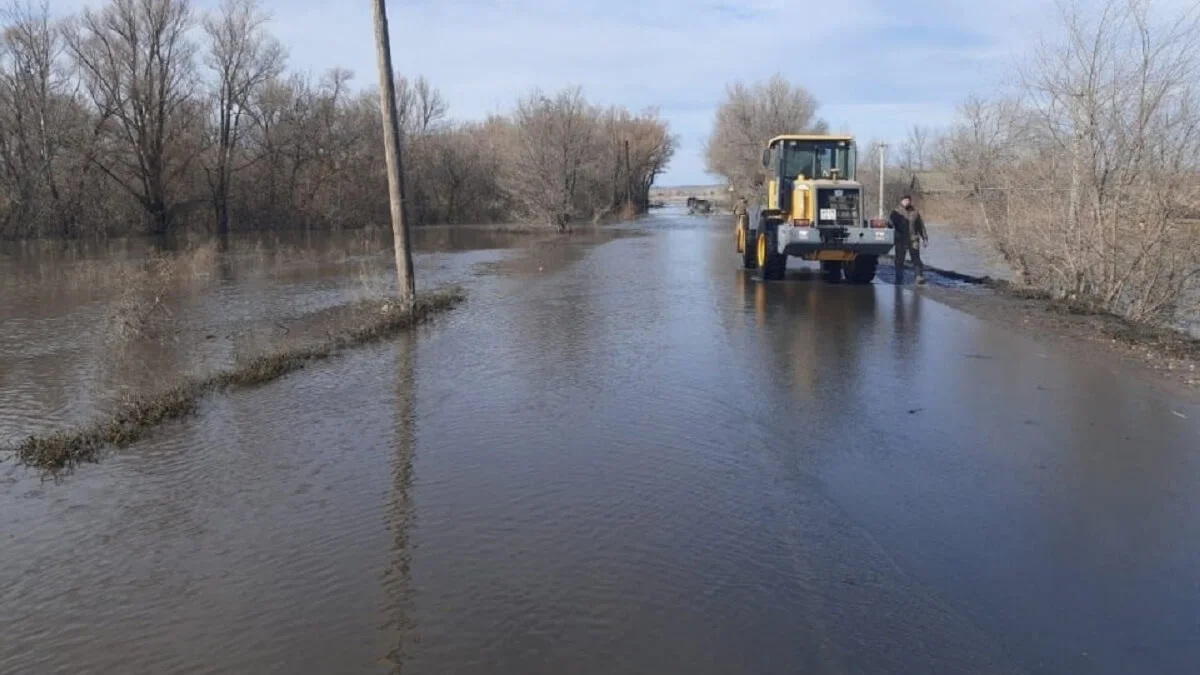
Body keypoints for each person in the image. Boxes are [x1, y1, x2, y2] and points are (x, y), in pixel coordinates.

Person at [889, 195, 929, 284]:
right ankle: (899, 277)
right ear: (901, 201)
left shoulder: (915, 213)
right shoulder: (896, 213)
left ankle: (918, 276)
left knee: (916, 258)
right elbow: (890, 225)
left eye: (908, 200)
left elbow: (921, 226)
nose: (907, 202)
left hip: (913, 238)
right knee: (899, 259)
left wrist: (925, 238)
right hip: (901, 240)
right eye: (905, 200)